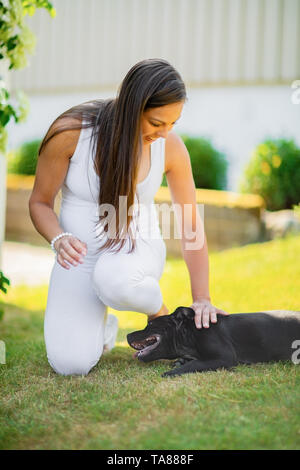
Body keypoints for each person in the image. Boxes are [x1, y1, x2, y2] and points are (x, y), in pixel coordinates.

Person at [29, 58, 229, 376]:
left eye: (172, 124)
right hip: (79, 259)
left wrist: (201, 298)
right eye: (156, 123)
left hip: (135, 252)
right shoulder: (70, 133)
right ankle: (103, 327)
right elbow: (39, 203)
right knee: (70, 365)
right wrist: (59, 237)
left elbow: (191, 223)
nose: (165, 134)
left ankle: (160, 315)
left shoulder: (170, 148)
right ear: (131, 109)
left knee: (114, 280)